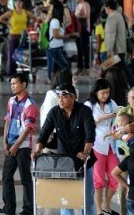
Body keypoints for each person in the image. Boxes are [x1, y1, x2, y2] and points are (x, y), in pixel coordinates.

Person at [33, 83, 96, 215]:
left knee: (86, 199)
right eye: (58, 96)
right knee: (65, 199)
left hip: (83, 161)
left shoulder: (84, 111)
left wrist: (85, 152)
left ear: (73, 98)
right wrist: (37, 150)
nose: (60, 99)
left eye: (64, 96)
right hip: (64, 162)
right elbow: (44, 134)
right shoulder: (54, 112)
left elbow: (90, 135)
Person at [0, 73, 39, 215]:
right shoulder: (11, 101)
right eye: (11, 83)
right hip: (10, 143)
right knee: (6, 176)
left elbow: (28, 128)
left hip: (23, 146)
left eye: (15, 83)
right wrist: (4, 142)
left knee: (25, 178)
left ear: (24, 84)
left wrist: (16, 145)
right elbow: (7, 121)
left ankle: (28, 209)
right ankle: (9, 208)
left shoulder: (30, 105)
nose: (12, 86)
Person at [84, 79, 120, 215]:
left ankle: (106, 203)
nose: (105, 95)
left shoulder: (111, 104)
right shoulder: (89, 105)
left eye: (108, 92)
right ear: (96, 92)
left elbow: (120, 115)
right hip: (96, 145)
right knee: (98, 180)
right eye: (103, 93)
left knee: (115, 176)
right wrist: (103, 117)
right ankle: (99, 210)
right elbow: (86, 124)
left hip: (111, 145)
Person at [104, 0, 134, 87]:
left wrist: (109, 50)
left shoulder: (112, 17)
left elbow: (111, 34)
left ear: (108, 8)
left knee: (106, 68)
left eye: (105, 8)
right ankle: (118, 86)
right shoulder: (119, 15)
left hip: (116, 50)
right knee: (117, 68)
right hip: (120, 48)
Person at [46, 1, 71, 81]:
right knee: (64, 66)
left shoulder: (59, 22)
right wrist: (66, 36)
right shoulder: (55, 21)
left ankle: (56, 82)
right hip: (55, 48)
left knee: (56, 68)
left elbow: (68, 22)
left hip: (58, 47)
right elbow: (56, 35)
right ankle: (60, 81)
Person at [73, 0, 91, 76]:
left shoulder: (86, 4)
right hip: (78, 29)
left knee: (85, 49)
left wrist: (78, 16)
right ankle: (79, 67)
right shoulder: (78, 5)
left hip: (84, 29)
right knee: (79, 49)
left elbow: (87, 15)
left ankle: (86, 67)